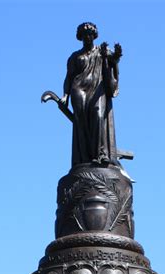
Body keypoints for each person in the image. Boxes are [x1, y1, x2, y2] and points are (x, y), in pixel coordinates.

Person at [61, 22, 122, 166]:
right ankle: (84, 157)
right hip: (79, 89)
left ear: (94, 36)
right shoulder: (75, 56)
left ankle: (100, 154)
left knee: (98, 115)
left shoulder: (101, 52)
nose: (87, 37)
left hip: (97, 90)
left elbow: (113, 60)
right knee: (80, 121)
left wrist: (117, 54)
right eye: (84, 35)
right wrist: (65, 95)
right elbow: (69, 77)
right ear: (80, 37)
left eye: (90, 34)